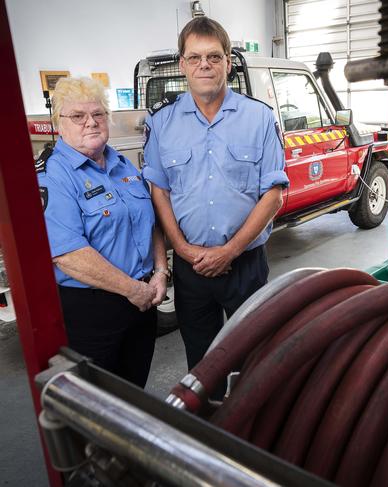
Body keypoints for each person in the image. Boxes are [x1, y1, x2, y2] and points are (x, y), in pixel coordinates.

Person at [142, 16, 289, 378]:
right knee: (201, 361)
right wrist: (182, 248)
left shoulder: (259, 118)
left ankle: (251, 425)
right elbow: (158, 191)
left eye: (213, 56)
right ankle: (207, 427)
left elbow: (273, 196)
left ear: (227, 61)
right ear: (182, 64)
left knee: (254, 355)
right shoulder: (161, 124)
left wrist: (231, 250)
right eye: (194, 57)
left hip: (246, 266)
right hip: (190, 268)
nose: (203, 65)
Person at [37, 77, 169, 388]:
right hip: (93, 313)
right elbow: (69, 255)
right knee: (99, 404)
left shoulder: (123, 166)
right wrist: (132, 289)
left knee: (134, 390)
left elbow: (151, 223)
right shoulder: (53, 176)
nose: (91, 123)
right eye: (78, 116)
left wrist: (161, 271)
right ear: (60, 124)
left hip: (143, 303)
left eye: (97, 114)